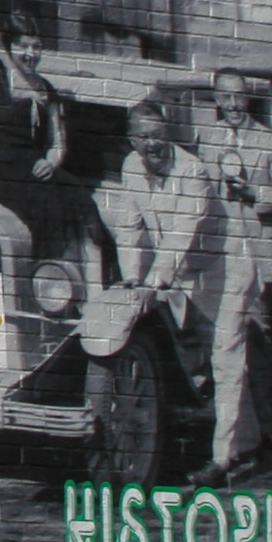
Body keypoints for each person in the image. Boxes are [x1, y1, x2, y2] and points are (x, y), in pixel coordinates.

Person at [92, 97, 238, 478]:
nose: (152, 144)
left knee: (226, 360)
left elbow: (181, 233)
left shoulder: (193, 170)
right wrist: (132, 279)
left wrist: (154, 281)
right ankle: (253, 435)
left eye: (157, 135)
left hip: (222, 268)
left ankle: (222, 459)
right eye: (143, 137)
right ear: (131, 140)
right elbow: (130, 229)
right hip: (178, 273)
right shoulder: (130, 168)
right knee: (197, 355)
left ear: (168, 135)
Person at [198, 70, 272, 474]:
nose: (234, 105)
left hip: (259, 251)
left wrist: (258, 195)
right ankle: (245, 431)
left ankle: (265, 429)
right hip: (221, 254)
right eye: (226, 97)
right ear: (217, 100)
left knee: (258, 342)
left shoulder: (269, 141)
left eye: (240, 97)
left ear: (248, 99)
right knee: (227, 343)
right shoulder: (207, 137)